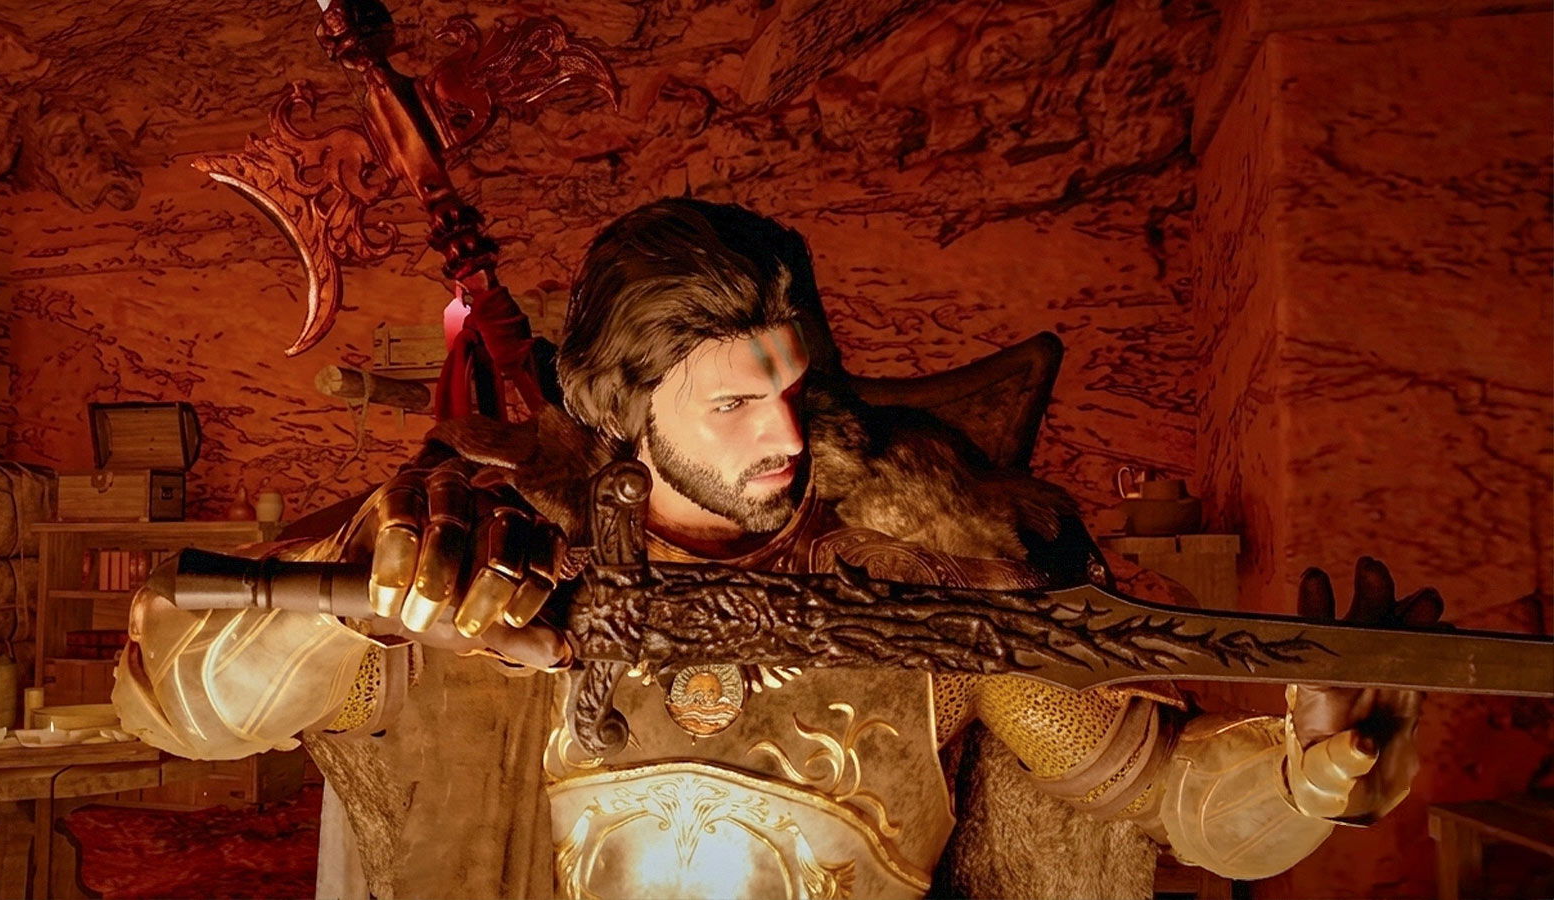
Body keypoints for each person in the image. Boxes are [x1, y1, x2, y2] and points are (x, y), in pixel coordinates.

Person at [114, 198, 1433, 899]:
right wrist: (347, 601)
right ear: (625, 409)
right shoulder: (501, 577)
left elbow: (1170, 799)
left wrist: (1310, 776)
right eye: (735, 406)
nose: (786, 436)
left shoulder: (930, 605)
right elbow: (181, 712)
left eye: (793, 391)